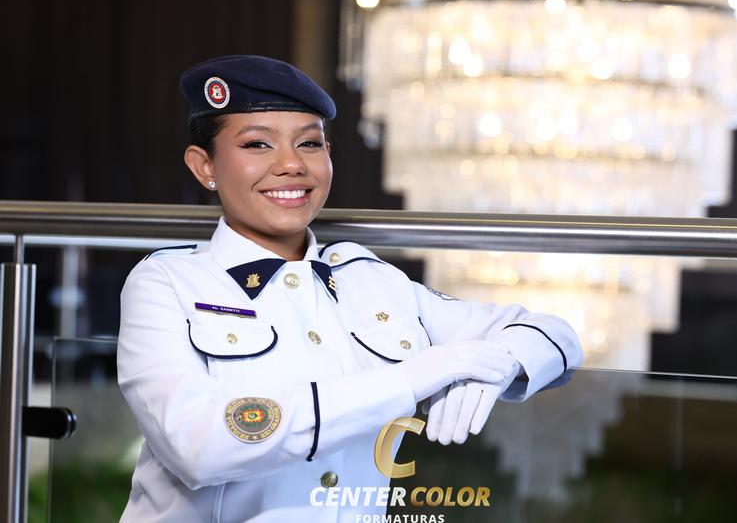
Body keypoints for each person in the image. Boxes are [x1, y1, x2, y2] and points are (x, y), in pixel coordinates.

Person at [116, 54, 583, 522]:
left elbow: (554, 335)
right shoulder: (167, 283)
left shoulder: (369, 279)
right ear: (205, 166)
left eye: (310, 144)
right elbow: (198, 447)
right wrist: (408, 381)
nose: (291, 164)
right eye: (258, 144)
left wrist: (498, 366)